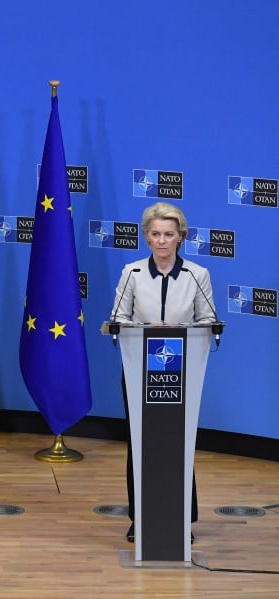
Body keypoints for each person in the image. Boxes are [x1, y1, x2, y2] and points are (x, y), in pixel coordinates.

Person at [110, 201, 217, 543]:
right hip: (139, 366)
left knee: (178, 442)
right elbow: (117, 320)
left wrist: (180, 329)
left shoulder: (197, 275)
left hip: (181, 370)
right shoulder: (132, 272)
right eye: (155, 234)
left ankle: (182, 517)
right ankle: (139, 516)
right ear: (146, 237)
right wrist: (144, 327)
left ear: (181, 237)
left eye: (169, 234)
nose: (161, 241)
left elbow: (209, 322)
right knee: (141, 442)